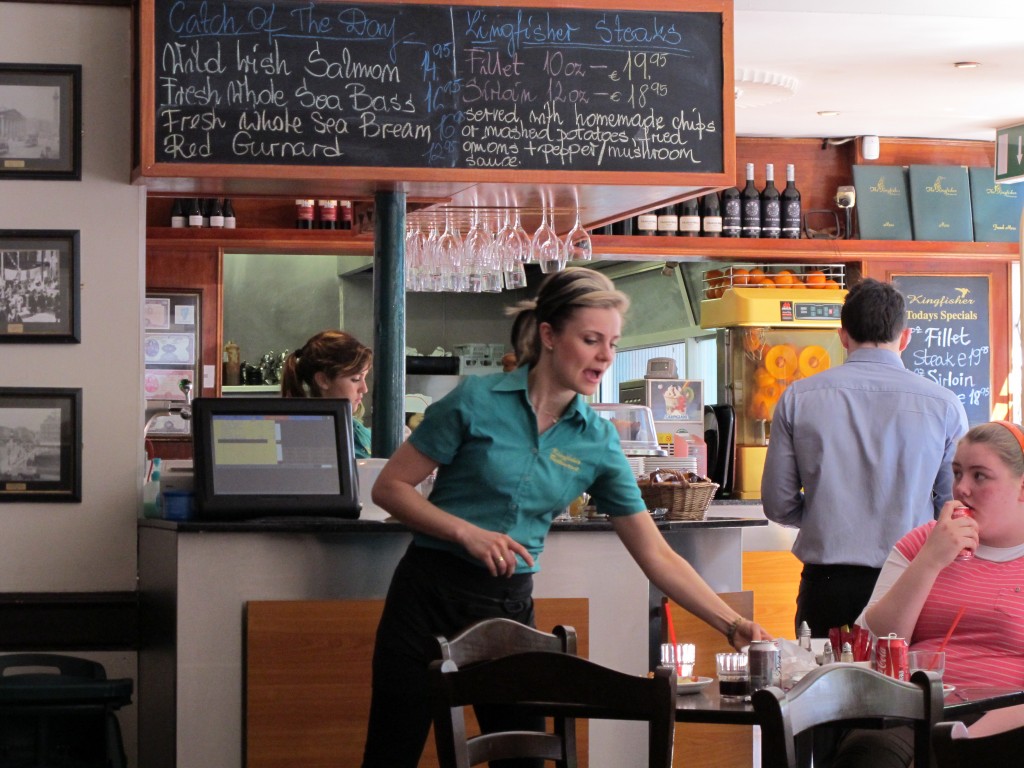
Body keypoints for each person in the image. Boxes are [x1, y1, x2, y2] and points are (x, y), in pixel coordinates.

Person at [360, 267, 770, 768]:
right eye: (591, 339)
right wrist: (467, 533)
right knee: (391, 755)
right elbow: (390, 488)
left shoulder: (596, 440)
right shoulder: (474, 401)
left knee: (526, 762)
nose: (605, 356)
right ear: (549, 336)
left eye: (612, 344)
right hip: (425, 599)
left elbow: (657, 554)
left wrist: (732, 624)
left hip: (507, 610)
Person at [761, 278, 968, 637]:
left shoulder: (798, 398)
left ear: (843, 337)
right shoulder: (945, 404)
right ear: (905, 337)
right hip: (912, 578)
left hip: (827, 584)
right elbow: (954, 505)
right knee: (909, 672)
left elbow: (778, 504)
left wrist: (824, 516)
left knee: (827, 671)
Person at [829, 421, 1024, 767]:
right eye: (957, 472)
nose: (961, 488)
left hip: (1004, 720)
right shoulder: (924, 541)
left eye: (980, 476)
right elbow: (872, 644)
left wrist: (960, 739)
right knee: (868, 756)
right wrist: (931, 560)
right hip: (911, 711)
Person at [280, 329, 373, 458]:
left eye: (364, 378)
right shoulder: (314, 441)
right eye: (356, 379)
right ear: (323, 380)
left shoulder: (354, 426)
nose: (364, 389)